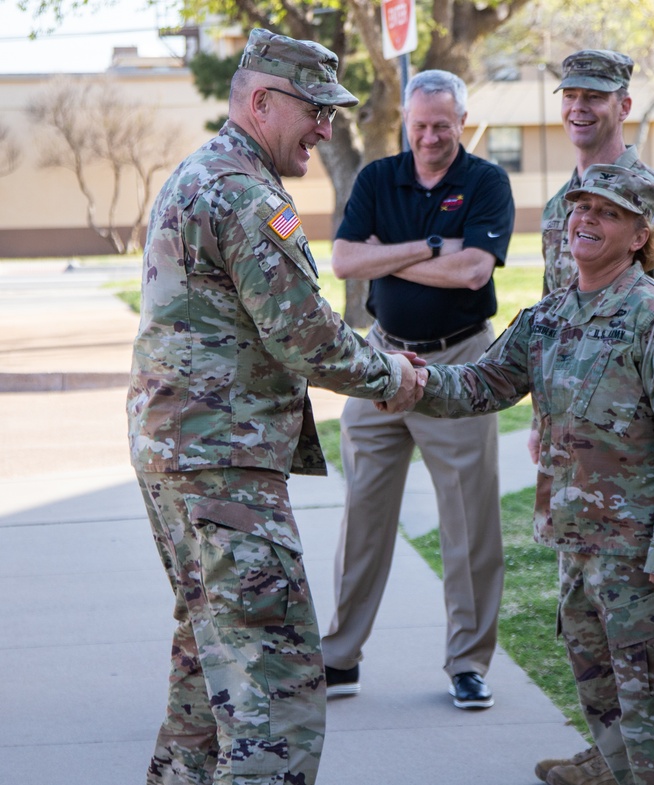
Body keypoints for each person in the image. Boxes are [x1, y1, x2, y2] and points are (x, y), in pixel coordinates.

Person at [127, 29, 425, 785]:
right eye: (315, 109)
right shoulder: (246, 195)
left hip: (180, 457)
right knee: (276, 682)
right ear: (261, 101)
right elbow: (310, 338)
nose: (325, 128)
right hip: (222, 466)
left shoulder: (200, 173)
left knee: (207, 659)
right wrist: (393, 373)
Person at [402, 164, 654, 785]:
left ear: (638, 236)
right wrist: (410, 379)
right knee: (603, 700)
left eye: (607, 213)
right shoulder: (549, 318)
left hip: (642, 557)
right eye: (580, 209)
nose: (586, 220)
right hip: (578, 547)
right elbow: (479, 383)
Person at [534, 48, 654, 785]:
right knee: (586, 623)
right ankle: (613, 757)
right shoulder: (559, 209)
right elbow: (556, 327)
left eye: (597, 96)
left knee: (646, 641)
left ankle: (647, 758)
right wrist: (552, 424)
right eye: (570, 94)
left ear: (624, 107)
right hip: (578, 467)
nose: (580, 107)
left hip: (639, 475)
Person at [321, 68, 514, 709]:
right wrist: (431, 245)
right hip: (379, 361)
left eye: (442, 125)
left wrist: (392, 252)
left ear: (462, 121)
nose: (430, 137)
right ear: (406, 120)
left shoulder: (485, 181)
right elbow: (345, 260)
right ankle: (340, 657)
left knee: (469, 523)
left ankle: (467, 664)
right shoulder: (379, 178)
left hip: (457, 366)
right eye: (420, 125)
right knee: (362, 519)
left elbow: (473, 271)